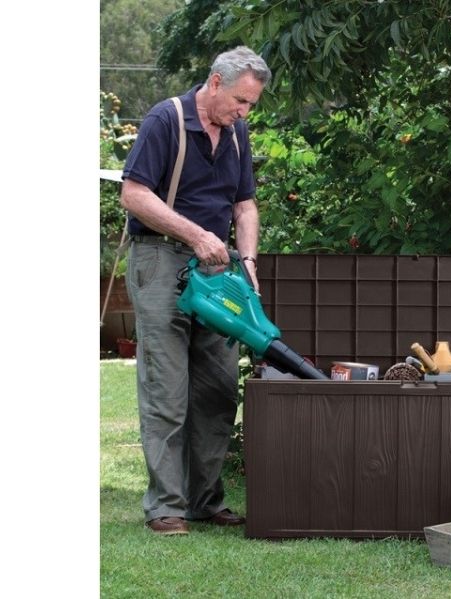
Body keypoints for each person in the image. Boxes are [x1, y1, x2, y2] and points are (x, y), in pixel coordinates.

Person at [120, 46, 271, 535]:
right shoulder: (165, 120)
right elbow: (133, 194)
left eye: (251, 105)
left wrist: (247, 260)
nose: (244, 112)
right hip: (161, 260)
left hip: (218, 269)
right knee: (167, 390)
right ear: (215, 82)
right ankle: (166, 506)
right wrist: (197, 235)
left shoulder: (237, 133)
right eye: (240, 101)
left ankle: (206, 500)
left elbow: (245, 206)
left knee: (219, 388)